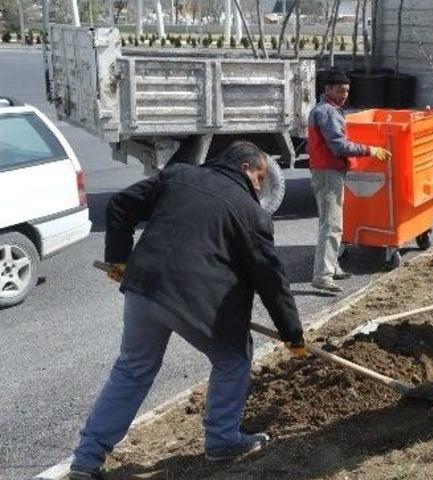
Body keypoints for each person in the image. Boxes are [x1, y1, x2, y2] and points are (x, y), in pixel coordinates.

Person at [68, 141, 306, 479]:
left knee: (132, 370)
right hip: (194, 303)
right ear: (244, 168)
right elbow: (270, 278)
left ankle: (86, 459)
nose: (259, 184)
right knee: (233, 359)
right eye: (259, 175)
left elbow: (121, 205)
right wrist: (292, 333)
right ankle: (222, 440)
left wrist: (119, 258)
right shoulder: (251, 213)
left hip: (144, 289)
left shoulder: (178, 175)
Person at [308, 68, 391, 293]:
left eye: (346, 91)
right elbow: (339, 145)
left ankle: (332, 267)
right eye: (339, 90)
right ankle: (323, 276)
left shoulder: (327, 109)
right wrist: (370, 150)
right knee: (331, 225)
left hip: (327, 171)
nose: (344, 94)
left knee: (332, 222)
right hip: (328, 172)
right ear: (328, 90)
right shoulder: (327, 112)